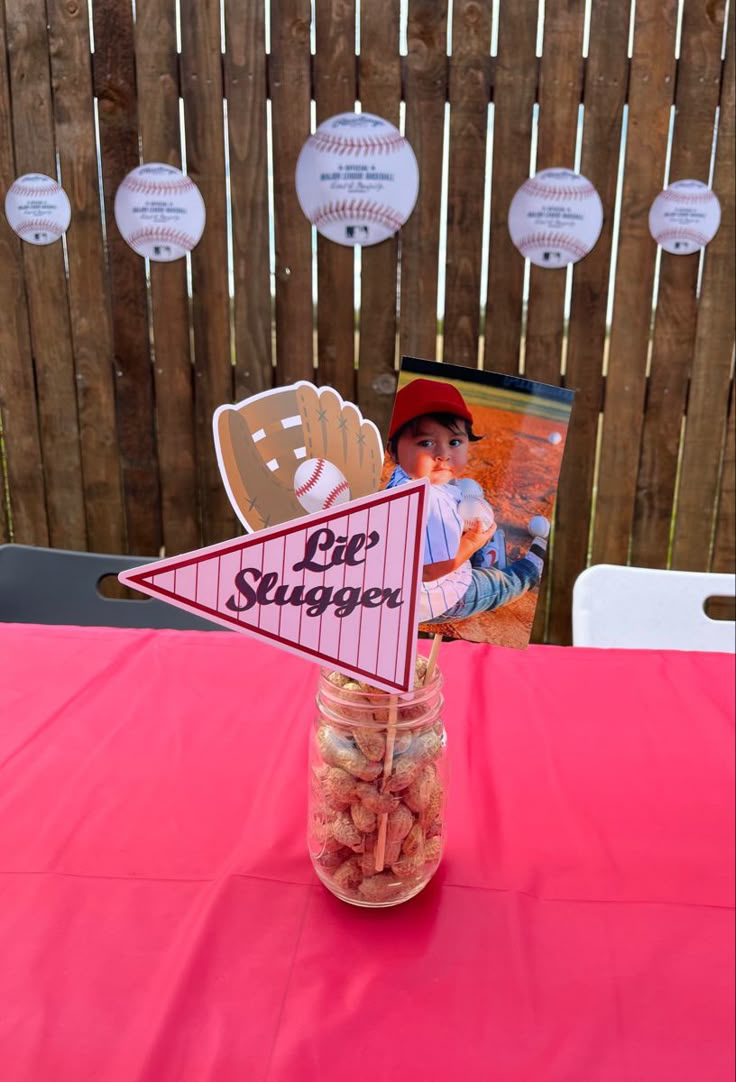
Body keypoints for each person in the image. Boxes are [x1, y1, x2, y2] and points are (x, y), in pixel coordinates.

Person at [385, 377, 549, 626]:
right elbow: (429, 571)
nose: (443, 454)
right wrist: (472, 542)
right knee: (498, 585)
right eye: (426, 443)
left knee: (466, 514)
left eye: (454, 442)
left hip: (400, 591)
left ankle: (479, 557)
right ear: (394, 450)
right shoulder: (431, 502)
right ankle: (529, 572)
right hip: (439, 599)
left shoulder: (401, 477)